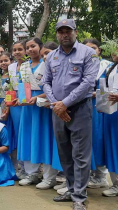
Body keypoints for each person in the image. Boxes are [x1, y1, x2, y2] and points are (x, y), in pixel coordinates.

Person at [42, 19, 99, 210]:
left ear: (75, 32)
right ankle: (71, 188)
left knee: (81, 155)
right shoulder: (51, 57)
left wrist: (64, 104)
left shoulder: (88, 53)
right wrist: (56, 105)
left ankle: (79, 197)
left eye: (68, 31)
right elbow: (46, 83)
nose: (64, 34)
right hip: (57, 111)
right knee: (64, 153)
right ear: (57, 34)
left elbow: (88, 82)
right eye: (61, 31)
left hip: (80, 109)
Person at [17, 38, 60, 190]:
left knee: (45, 139)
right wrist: (20, 98)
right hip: (28, 108)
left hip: (44, 107)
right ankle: (32, 173)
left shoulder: (48, 63)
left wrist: (38, 97)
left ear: (40, 47)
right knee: (29, 138)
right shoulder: (24, 66)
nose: (30, 50)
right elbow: (22, 86)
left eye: (33, 46)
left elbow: (54, 88)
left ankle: (49, 177)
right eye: (27, 47)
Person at [84, 38, 110, 189]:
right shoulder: (80, 65)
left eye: (93, 47)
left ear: (99, 50)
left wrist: (96, 93)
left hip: (100, 107)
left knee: (99, 138)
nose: (91, 50)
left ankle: (101, 175)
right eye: (86, 48)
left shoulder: (107, 66)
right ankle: (91, 174)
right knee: (88, 139)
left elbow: (112, 85)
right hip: (83, 106)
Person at [7, 40, 26, 179]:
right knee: (18, 135)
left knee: (25, 134)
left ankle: (28, 169)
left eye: (20, 49)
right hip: (14, 104)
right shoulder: (11, 67)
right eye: (15, 50)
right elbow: (10, 87)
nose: (17, 52)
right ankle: (21, 167)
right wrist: (8, 104)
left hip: (26, 102)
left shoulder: (29, 65)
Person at [102, 47, 118, 197]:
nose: (115, 53)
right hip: (111, 112)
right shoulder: (111, 68)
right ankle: (116, 184)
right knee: (113, 146)